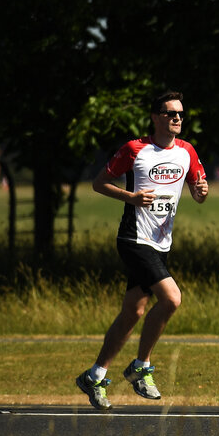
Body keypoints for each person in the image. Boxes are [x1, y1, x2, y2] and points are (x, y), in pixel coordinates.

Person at [76, 90, 208, 410]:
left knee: (133, 312)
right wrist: (131, 198)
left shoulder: (187, 151)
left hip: (162, 242)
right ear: (155, 117)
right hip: (134, 239)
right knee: (172, 298)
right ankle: (141, 367)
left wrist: (202, 190)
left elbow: (199, 190)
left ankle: (94, 375)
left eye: (180, 114)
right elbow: (98, 183)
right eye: (169, 113)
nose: (176, 118)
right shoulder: (135, 149)